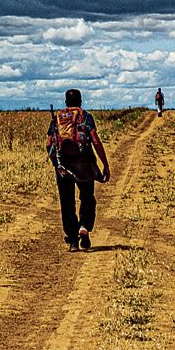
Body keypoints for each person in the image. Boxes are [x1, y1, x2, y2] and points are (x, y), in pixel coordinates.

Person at [46, 89, 110, 252]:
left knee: (67, 203)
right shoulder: (85, 116)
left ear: (66, 101)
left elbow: (48, 144)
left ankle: (73, 240)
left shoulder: (58, 118)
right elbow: (95, 140)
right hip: (84, 162)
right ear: (80, 101)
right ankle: (84, 226)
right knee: (87, 197)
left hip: (63, 165)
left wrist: (56, 163)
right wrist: (105, 164)